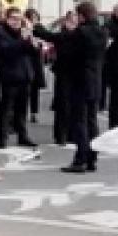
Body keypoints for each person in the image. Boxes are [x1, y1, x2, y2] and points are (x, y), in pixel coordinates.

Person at [62, 2, 108, 173]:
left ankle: (80, 159)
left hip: (80, 79)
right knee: (92, 121)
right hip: (96, 80)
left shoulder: (81, 32)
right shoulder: (103, 32)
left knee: (80, 121)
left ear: (82, 15)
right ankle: (92, 158)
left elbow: (69, 53)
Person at [0, 6, 38, 148]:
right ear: (7, 19)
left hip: (25, 75)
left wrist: (33, 42)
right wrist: (23, 41)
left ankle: (22, 136)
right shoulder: (0, 33)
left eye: (19, 19)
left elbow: (32, 52)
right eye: (13, 18)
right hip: (10, 75)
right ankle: (2, 137)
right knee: (6, 108)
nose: (16, 21)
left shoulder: (23, 32)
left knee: (22, 108)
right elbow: (7, 50)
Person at [34, 11, 78, 146]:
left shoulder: (79, 34)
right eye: (70, 21)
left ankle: (71, 134)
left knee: (74, 105)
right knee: (63, 104)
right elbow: (49, 36)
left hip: (77, 73)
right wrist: (37, 25)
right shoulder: (63, 35)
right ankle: (61, 135)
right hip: (64, 72)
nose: (72, 24)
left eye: (74, 21)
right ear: (66, 22)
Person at [24, 8, 47, 124]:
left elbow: (46, 42)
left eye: (35, 17)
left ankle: (34, 113)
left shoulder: (40, 28)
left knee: (34, 89)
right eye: (32, 17)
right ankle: (23, 112)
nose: (34, 20)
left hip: (36, 60)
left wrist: (42, 43)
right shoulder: (24, 29)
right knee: (25, 88)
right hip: (27, 60)